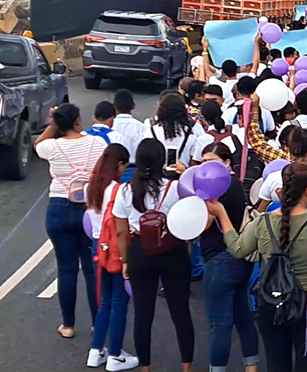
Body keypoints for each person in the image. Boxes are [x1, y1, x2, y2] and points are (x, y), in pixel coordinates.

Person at [214, 163, 307, 372]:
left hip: (270, 301)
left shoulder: (263, 222)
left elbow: (238, 249)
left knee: (276, 363)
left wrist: (221, 214)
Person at [111, 139, 191, 372]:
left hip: (140, 252)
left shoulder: (125, 191)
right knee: (181, 312)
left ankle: (145, 367)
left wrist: (125, 260)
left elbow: (120, 231)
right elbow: (187, 224)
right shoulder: (175, 188)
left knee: (143, 314)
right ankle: (186, 366)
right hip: (173, 251)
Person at [35, 103, 106, 339]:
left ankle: (68, 325)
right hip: (90, 209)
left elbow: (37, 144)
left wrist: (53, 123)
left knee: (66, 269)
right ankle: (98, 322)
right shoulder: (97, 144)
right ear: (77, 121)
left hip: (59, 208)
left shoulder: (51, 147)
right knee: (91, 269)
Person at [193, 143, 260, 372]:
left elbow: (203, 226)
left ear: (227, 163)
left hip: (219, 259)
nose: (205, 168)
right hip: (240, 259)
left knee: (219, 322)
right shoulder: (235, 185)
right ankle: (252, 365)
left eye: (211, 161)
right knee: (242, 315)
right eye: (202, 162)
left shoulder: (216, 190)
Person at [84, 144, 138, 371]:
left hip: (98, 245)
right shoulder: (119, 190)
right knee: (119, 301)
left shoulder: (91, 187)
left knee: (105, 299)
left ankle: (96, 351)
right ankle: (116, 354)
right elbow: (122, 227)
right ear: (119, 165)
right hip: (116, 248)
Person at [143, 92, 202, 172]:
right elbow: (198, 157)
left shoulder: (151, 130)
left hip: (158, 177)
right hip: (183, 174)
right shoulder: (193, 130)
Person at [112, 89, 146, 182]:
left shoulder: (110, 126)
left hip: (115, 172)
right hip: (136, 172)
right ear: (133, 106)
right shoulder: (141, 127)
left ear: (114, 107)